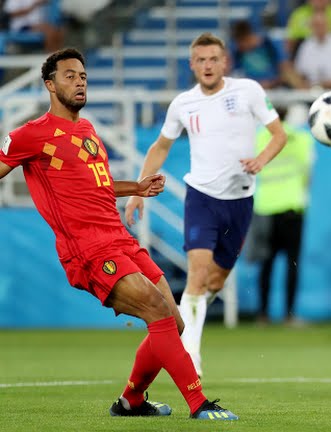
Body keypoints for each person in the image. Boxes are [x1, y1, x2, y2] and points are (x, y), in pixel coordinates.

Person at [0, 48, 236, 420]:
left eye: (83, 76)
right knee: (157, 310)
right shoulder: (31, 135)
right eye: (69, 76)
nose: (79, 82)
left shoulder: (86, 130)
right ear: (49, 85)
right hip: (87, 248)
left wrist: (136, 188)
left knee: (174, 322)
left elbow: (96, 186)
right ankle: (199, 403)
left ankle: (131, 401)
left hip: (119, 237)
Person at [124, 33, 287, 377]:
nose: (208, 65)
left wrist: (260, 160)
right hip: (201, 198)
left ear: (225, 62)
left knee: (215, 281)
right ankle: (191, 356)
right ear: (192, 65)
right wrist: (138, 189)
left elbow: (279, 134)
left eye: (213, 59)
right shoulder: (183, 104)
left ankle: (187, 320)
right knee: (197, 275)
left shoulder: (249, 91)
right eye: (201, 60)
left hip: (240, 201)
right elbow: (160, 146)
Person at [251, 106, 315, 324]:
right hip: (292, 205)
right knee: (292, 263)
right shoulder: (302, 137)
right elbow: (308, 171)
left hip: (265, 206)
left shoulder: (258, 136)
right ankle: (289, 315)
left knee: (265, 263)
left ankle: (262, 314)